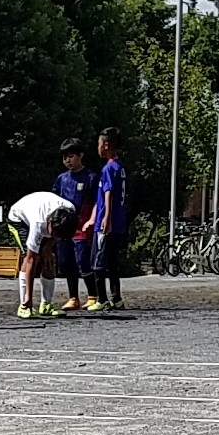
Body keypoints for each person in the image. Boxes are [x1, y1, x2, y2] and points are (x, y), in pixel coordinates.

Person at [6, 191, 80, 319]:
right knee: (33, 258)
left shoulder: (70, 212)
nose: (54, 237)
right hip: (19, 219)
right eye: (54, 233)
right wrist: (29, 299)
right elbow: (31, 260)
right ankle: (24, 304)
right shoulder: (38, 223)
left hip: (45, 217)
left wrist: (48, 248)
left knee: (49, 258)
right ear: (50, 223)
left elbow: (57, 234)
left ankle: (46, 304)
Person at [53, 138, 98, 311]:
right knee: (65, 262)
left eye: (71, 156)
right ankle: (73, 298)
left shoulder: (91, 177)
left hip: (82, 226)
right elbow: (54, 200)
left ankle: (93, 296)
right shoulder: (62, 179)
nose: (68, 161)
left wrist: (91, 220)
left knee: (83, 261)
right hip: (64, 228)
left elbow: (96, 202)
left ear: (81, 155)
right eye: (65, 157)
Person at [88, 126, 129, 312]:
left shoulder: (108, 168)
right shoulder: (120, 167)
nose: (97, 147)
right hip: (119, 221)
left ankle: (102, 299)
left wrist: (106, 217)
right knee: (112, 262)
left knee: (98, 261)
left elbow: (108, 193)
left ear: (105, 145)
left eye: (98, 143)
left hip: (107, 222)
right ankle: (116, 298)